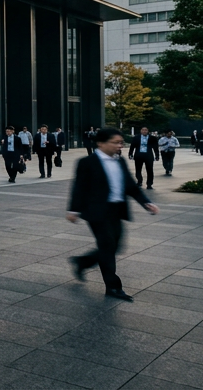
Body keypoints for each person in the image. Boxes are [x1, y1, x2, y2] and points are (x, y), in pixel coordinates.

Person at [68, 127, 159, 301]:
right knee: (108, 246)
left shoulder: (120, 161)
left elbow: (131, 186)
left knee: (114, 246)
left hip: (116, 210)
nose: (120, 146)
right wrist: (73, 210)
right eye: (116, 142)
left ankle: (82, 262)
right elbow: (79, 188)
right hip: (96, 211)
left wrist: (146, 203)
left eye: (121, 143)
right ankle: (113, 287)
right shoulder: (87, 162)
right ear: (101, 143)